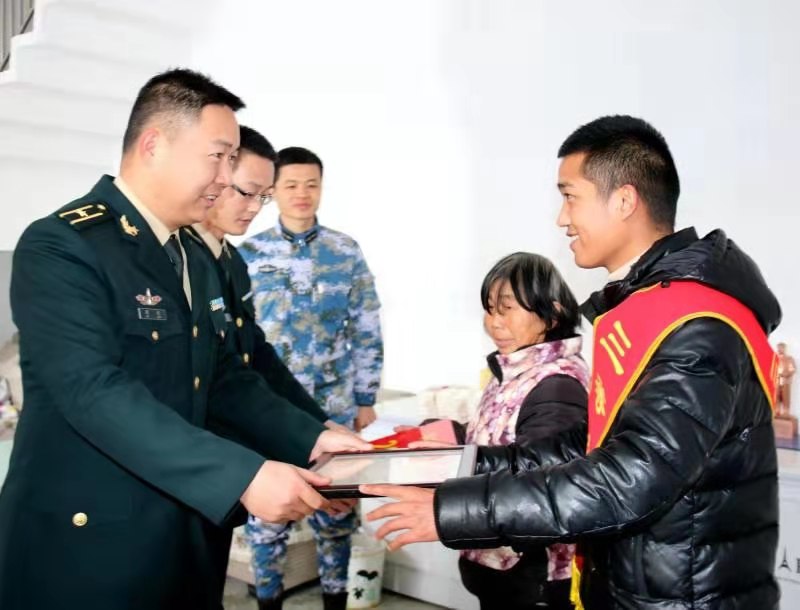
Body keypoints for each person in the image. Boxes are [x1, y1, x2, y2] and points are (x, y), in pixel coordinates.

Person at [364, 115, 782, 610]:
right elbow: (589, 445)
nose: (562, 219)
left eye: (570, 196)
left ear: (623, 201)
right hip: (642, 582)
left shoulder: (697, 323)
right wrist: (467, 462)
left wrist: (455, 510)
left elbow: (629, 478)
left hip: (682, 596)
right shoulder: (649, 306)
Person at [0, 68, 369, 610]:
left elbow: (223, 375)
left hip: (181, 533)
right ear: (154, 145)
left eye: (231, 159)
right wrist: (242, 476)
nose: (225, 177)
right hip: (93, 543)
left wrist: (311, 437)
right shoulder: (63, 245)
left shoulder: (192, 255)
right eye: (217, 157)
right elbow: (93, 391)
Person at [187, 125, 358, 582]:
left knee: (333, 524)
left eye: (261, 196)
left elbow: (253, 356)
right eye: (248, 192)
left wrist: (320, 426)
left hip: (285, 409)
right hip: (214, 442)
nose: (252, 207)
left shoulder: (228, 259)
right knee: (259, 541)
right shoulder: (196, 257)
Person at [239, 146, 384, 610]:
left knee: (336, 519)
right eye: (291, 185)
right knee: (266, 524)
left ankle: (336, 602)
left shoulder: (345, 251)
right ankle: (268, 601)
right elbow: (238, 339)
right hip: (270, 412)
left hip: (332, 411)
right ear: (273, 190)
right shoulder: (248, 254)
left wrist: (365, 397)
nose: (302, 194)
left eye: (311, 184)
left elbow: (366, 326)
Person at [437, 252, 589, 610]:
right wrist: (451, 435)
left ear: (551, 315)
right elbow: (503, 435)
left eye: (506, 309)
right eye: (490, 309)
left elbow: (539, 482)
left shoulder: (557, 385)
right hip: (500, 562)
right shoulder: (517, 367)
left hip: (530, 574)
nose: (493, 322)